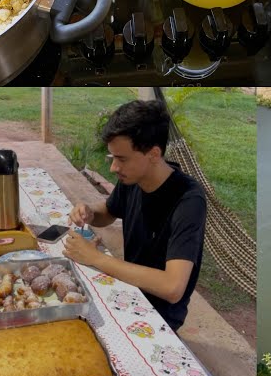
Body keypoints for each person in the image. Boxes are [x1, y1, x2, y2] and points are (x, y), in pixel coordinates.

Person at [63, 100, 207, 332]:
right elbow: (109, 212)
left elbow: (173, 287)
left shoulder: (188, 201)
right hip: (127, 286)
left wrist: (96, 258)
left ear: (153, 154)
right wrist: (89, 212)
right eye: (113, 158)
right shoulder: (134, 177)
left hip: (158, 314)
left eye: (122, 159)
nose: (113, 168)